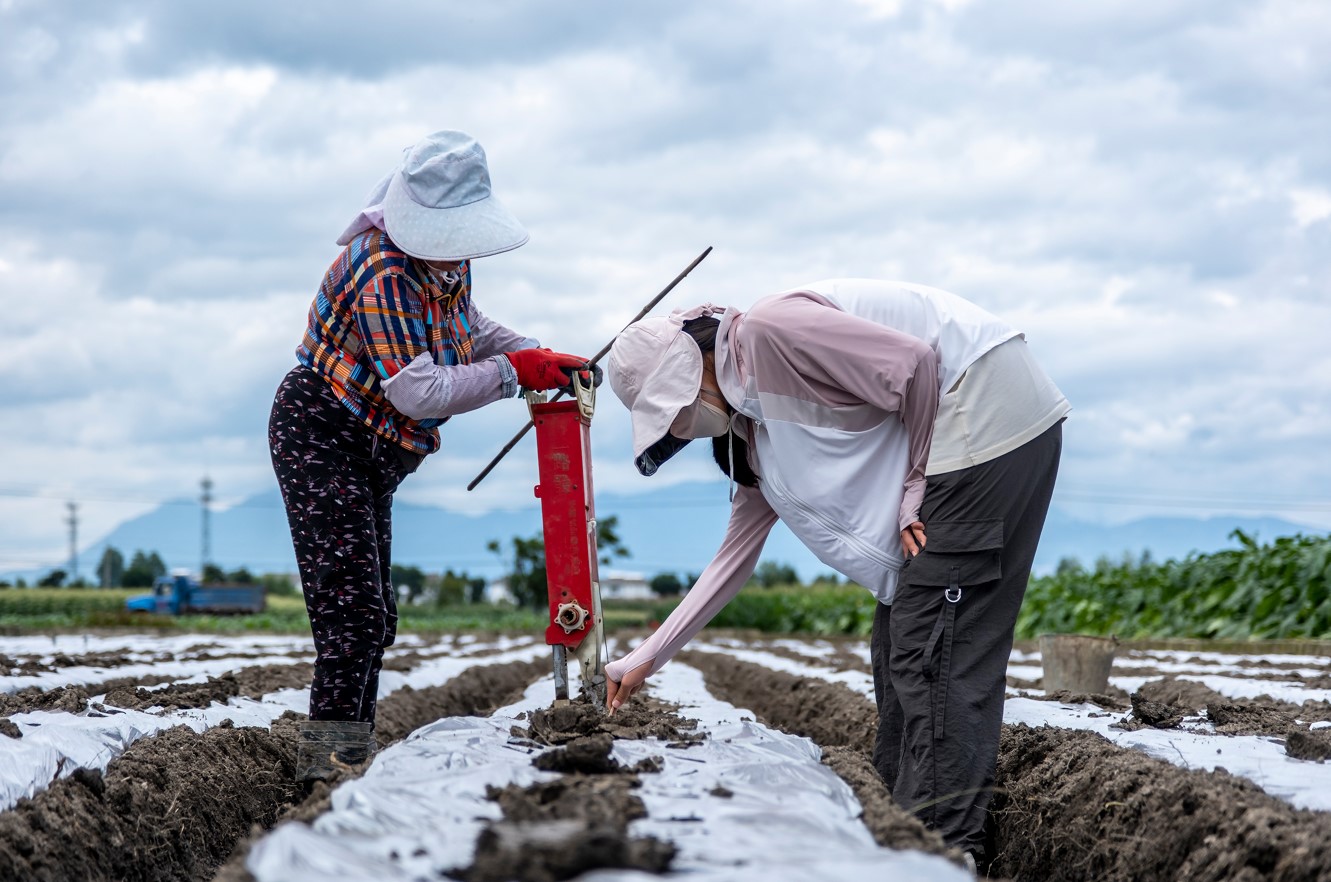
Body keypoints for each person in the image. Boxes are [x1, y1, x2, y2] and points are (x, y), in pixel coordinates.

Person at [602, 280, 1069, 868]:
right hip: (958, 434)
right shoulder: (754, 434)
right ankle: (900, 825)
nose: (685, 424)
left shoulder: (770, 332)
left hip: (983, 408)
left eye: (679, 407)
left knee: (934, 645)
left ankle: (942, 852)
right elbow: (731, 560)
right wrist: (646, 657)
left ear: (692, 367)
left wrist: (914, 484)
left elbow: (915, 365)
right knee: (898, 638)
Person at [269, 130, 593, 780]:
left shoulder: (445, 264)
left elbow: (466, 329)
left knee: (376, 617)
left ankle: (347, 759)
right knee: (351, 615)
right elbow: (415, 390)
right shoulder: (381, 267)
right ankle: (321, 773)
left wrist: (536, 353)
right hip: (324, 432)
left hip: (375, 451)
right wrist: (511, 374)